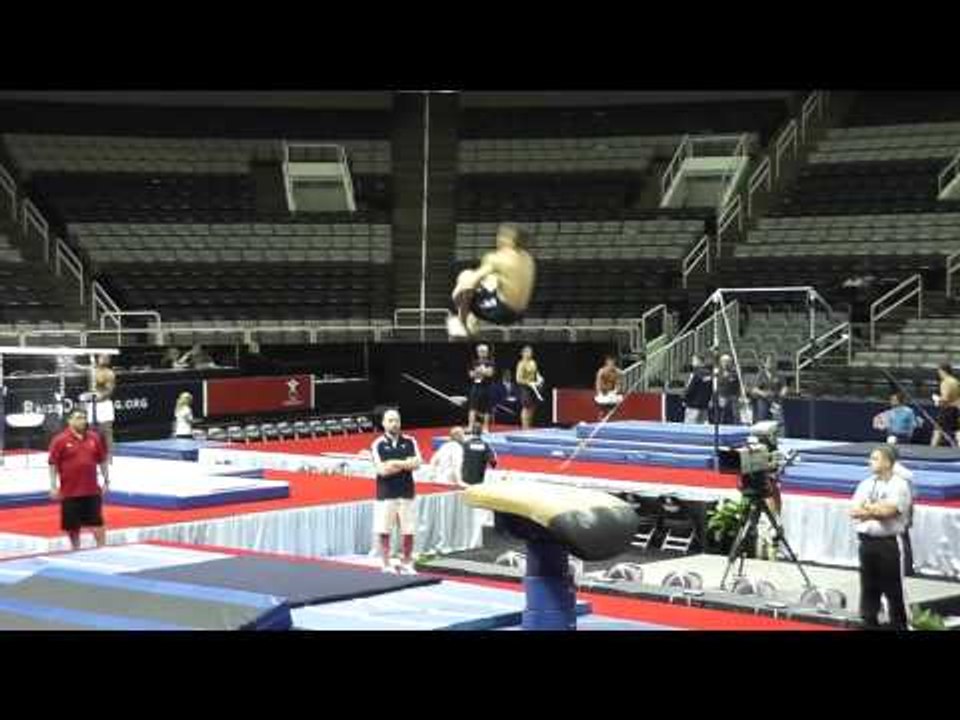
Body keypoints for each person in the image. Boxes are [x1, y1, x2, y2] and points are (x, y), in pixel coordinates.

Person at [849, 445, 913, 630]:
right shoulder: (866, 484)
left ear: (887, 462)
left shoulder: (899, 485)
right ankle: (869, 621)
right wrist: (876, 509)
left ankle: (899, 624)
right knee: (868, 585)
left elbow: (889, 512)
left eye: (875, 458)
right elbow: (854, 511)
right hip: (867, 541)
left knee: (893, 587)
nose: (870, 462)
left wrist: (868, 508)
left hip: (888, 543)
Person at [447, 223, 536, 338]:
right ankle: (470, 318)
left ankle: (464, 324)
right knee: (491, 279)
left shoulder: (496, 258)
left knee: (465, 276)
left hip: (502, 312)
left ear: (509, 240)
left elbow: (469, 283)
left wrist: (456, 300)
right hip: (521, 313)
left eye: (501, 236)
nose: (497, 239)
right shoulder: (528, 258)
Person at [48, 408, 110, 551]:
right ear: (69, 420)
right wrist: (53, 486)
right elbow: (52, 464)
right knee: (72, 526)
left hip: (91, 490)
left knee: (97, 522)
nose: (82, 421)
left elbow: (102, 460)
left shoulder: (94, 438)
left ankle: (102, 548)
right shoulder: (60, 440)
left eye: (83, 418)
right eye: (78, 418)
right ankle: (76, 549)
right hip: (70, 491)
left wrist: (106, 480)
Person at [370, 409, 422, 575]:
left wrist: (393, 462)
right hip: (386, 493)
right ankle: (386, 563)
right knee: (384, 530)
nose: (394, 424)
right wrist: (405, 463)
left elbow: (417, 463)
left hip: (406, 492)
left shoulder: (410, 441)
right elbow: (382, 471)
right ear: (384, 423)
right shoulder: (377, 444)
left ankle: (407, 562)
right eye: (391, 420)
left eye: (397, 420)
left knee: (408, 530)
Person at [87, 353, 116, 463]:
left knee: (106, 431)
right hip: (92, 404)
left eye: (107, 358)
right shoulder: (91, 370)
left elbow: (110, 390)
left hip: (104, 404)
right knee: (91, 431)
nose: (104, 359)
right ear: (98, 358)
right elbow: (78, 368)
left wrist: (101, 396)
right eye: (102, 357)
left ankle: (109, 456)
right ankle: (92, 454)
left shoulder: (109, 373)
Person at [749, 354, 787, 424]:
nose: (771, 364)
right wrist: (762, 393)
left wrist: (783, 392)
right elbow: (754, 389)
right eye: (769, 362)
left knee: (777, 421)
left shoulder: (779, 375)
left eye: (773, 362)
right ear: (764, 364)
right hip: (763, 400)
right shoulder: (760, 375)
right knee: (763, 420)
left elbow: (784, 386)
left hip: (775, 400)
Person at [467, 344, 496, 434]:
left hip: (487, 387)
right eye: (481, 351)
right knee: (472, 407)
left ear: (487, 352)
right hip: (476, 387)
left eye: (484, 351)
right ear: (478, 352)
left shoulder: (491, 362)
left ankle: (485, 427)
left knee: (487, 408)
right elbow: (471, 375)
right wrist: (482, 371)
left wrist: (480, 371)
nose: (483, 353)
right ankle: (470, 427)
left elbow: (489, 373)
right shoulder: (474, 362)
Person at [931, 363, 960, 448]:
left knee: (937, 431)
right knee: (957, 431)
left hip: (947, 410)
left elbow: (945, 398)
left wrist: (937, 399)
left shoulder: (945, 382)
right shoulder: (956, 381)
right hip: (956, 409)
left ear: (943, 371)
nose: (938, 374)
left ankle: (931, 450)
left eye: (939, 372)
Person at [461, 421, 498, 486]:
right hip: (478, 481)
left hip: (464, 479)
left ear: (471, 431)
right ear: (481, 432)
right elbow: (493, 463)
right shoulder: (485, 446)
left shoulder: (465, 444)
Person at [515, 345, 542, 430]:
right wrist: (528, 383)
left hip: (533, 388)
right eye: (527, 352)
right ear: (523, 353)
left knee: (532, 407)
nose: (529, 353)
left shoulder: (533, 362)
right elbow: (518, 379)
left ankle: (529, 426)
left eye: (530, 352)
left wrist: (539, 379)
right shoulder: (521, 364)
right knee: (526, 407)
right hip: (524, 388)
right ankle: (524, 427)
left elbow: (536, 373)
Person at [683, 354, 713, 424]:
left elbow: (691, 388)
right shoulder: (709, 374)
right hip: (704, 404)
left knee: (690, 425)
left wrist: (685, 398)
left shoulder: (695, 374)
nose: (692, 363)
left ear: (699, 361)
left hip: (693, 405)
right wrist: (708, 400)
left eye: (693, 360)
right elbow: (710, 389)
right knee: (702, 426)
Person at [594, 355, 623, 420]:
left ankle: (611, 416)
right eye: (610, 363)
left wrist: (615, 391)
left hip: (612, 392)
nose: (611, 364)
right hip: (603, 392)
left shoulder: (617, 372)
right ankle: (601, 415)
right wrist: (599, 392)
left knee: (616, 402)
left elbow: (618, 383)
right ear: (606, 363)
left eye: (613, 363)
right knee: (602, 404)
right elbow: (598, 383)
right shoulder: (601, 371)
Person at [716, 354, 741, 425]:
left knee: (735, 414)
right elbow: (718, 383)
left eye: (727, 361)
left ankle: (736, 426)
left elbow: (735, 381)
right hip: (722, 395)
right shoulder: (718, 372)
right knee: (722, 414)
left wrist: (728, 376)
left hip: (733, 396)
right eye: (723, 361)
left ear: (730, 362)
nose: (725, 363)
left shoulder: (735, 371)